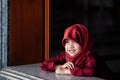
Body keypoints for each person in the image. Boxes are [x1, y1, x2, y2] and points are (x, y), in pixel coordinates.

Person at [40, 24, 112, 80]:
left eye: (75, 41)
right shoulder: (65, 55)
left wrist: (66, 71)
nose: (70, 46)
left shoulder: (89, 56)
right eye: (67, 42)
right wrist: (59, 66)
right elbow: (44, 64)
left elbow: (89, 71)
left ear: (83, 42)